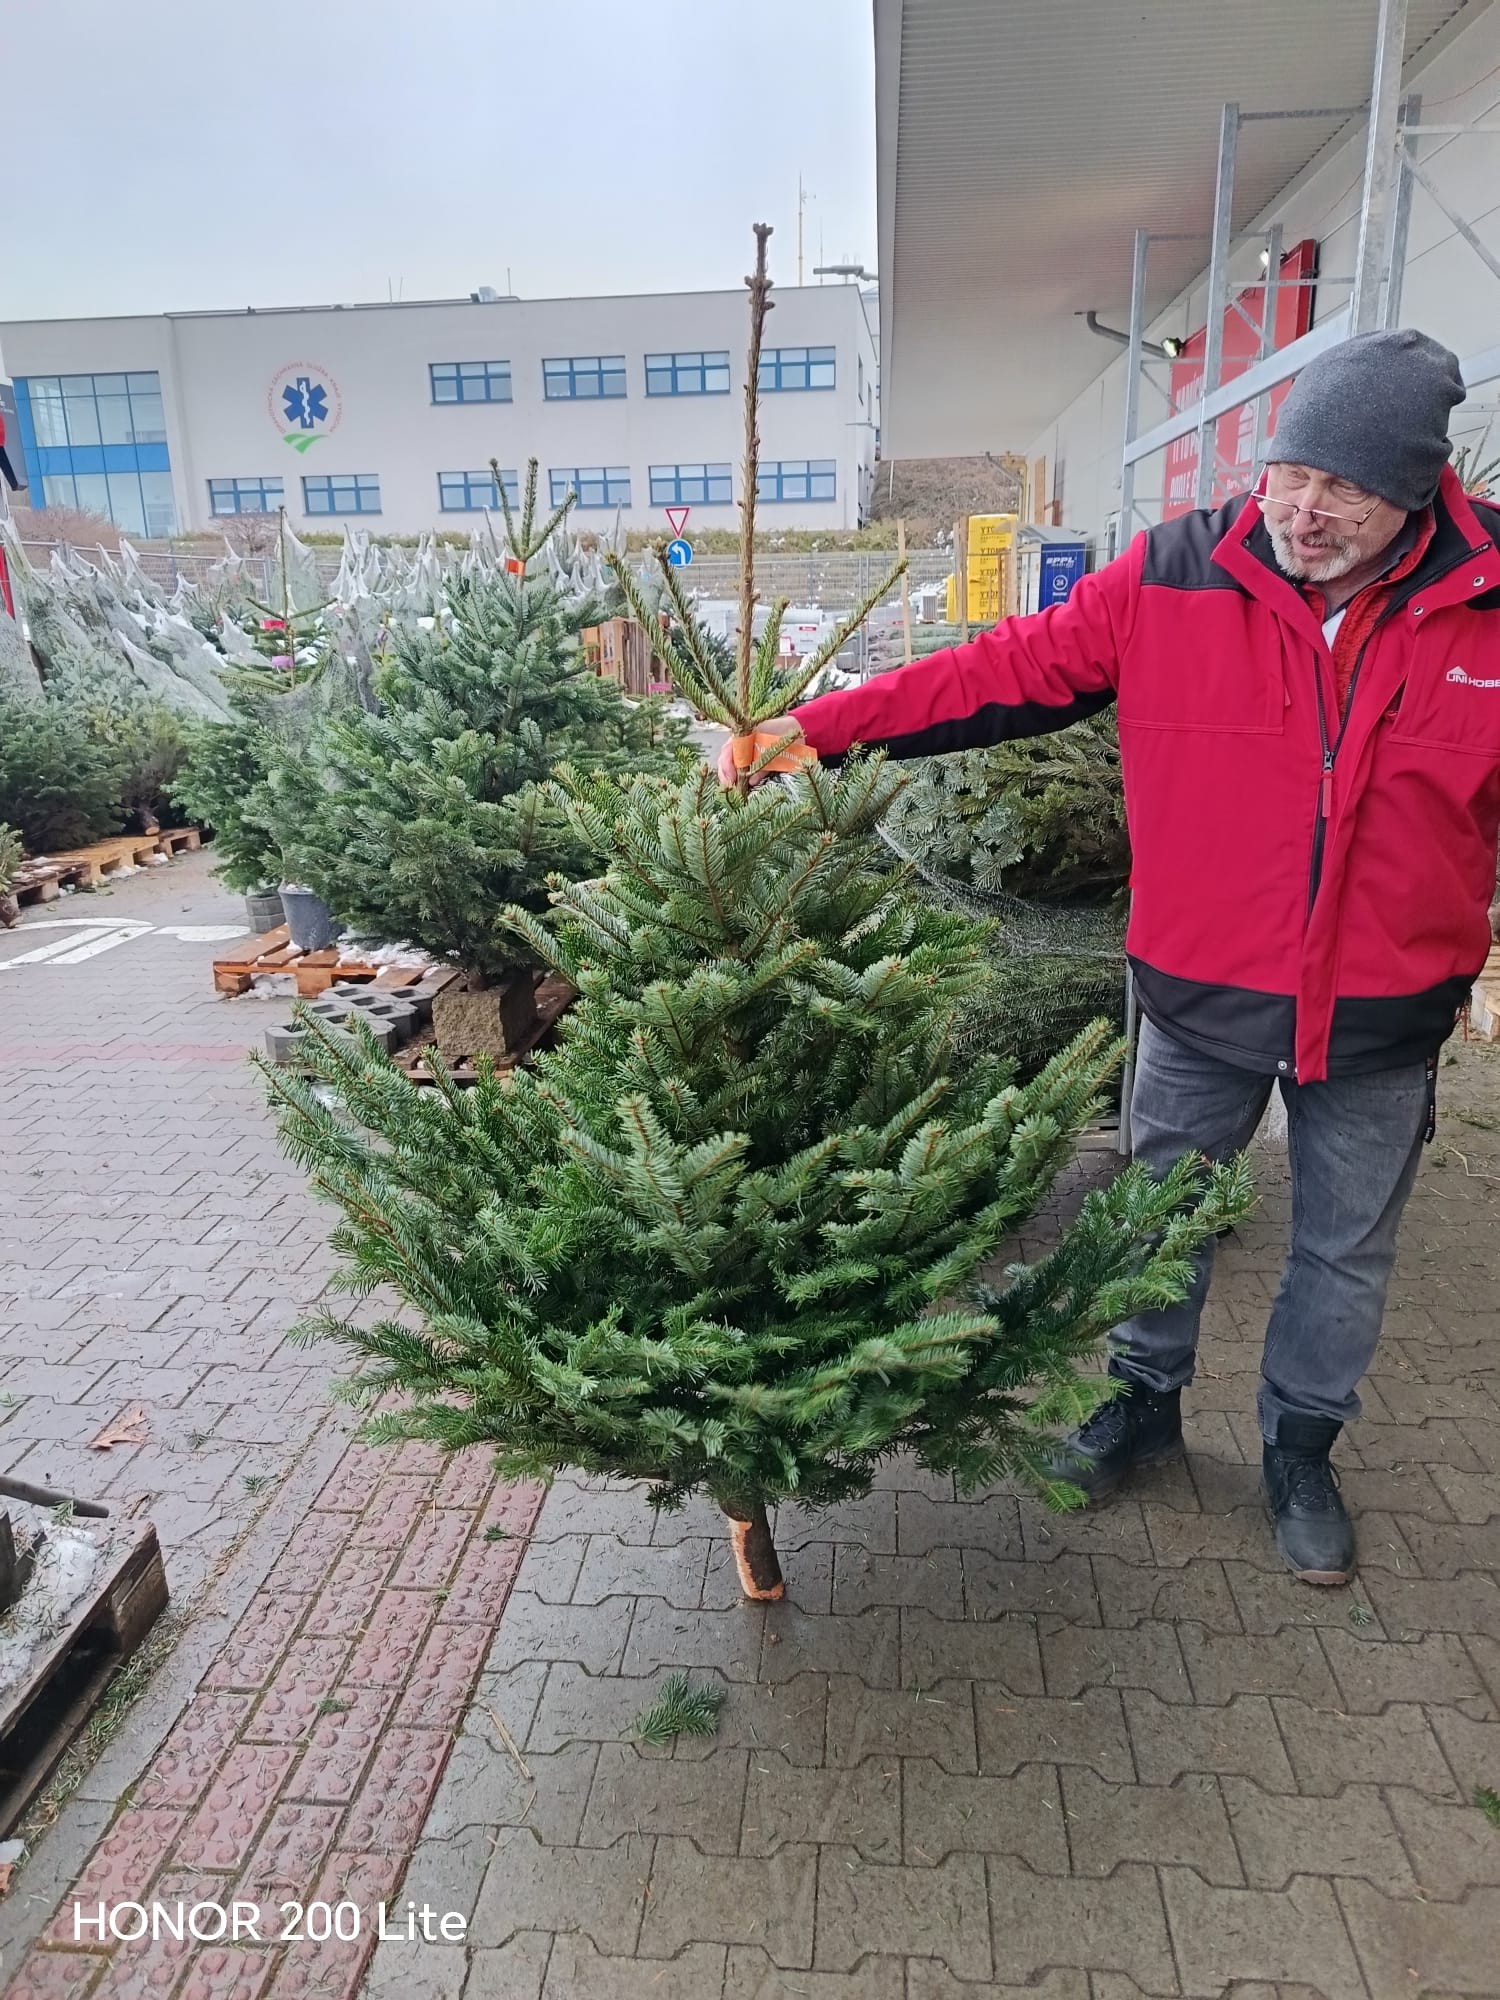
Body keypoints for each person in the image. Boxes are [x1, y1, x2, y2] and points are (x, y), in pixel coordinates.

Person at [722, 329, 1500, 1586]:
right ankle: (1143, 1400)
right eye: (1290, 475)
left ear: (1418, 492)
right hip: (1198, 992)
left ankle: (1302, 1447)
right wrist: (821, 729)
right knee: (1157, 1213)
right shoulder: (1179, 574)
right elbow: (1004, 673)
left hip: (1380, 1013)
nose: (1302, 510)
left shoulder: (1490, 595)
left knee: (1344, 1249)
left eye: (1342, 491)